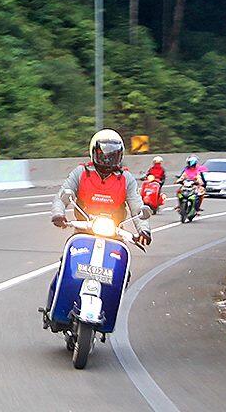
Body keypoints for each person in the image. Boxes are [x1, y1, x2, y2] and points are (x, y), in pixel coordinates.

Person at [46, 130, 152, 315]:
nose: (107, 159)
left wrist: (144, 230)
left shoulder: (126, 179)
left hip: (114, 233)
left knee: (121, 273)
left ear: (120, 155)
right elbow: (62, 195)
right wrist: (58, 214)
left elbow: (136, 205)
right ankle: (54, 306)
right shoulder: (81, 173)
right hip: (84, 230)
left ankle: (109, 308)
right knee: (68, 265)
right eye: (103, 153)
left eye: (113, 154)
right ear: (93, 152)